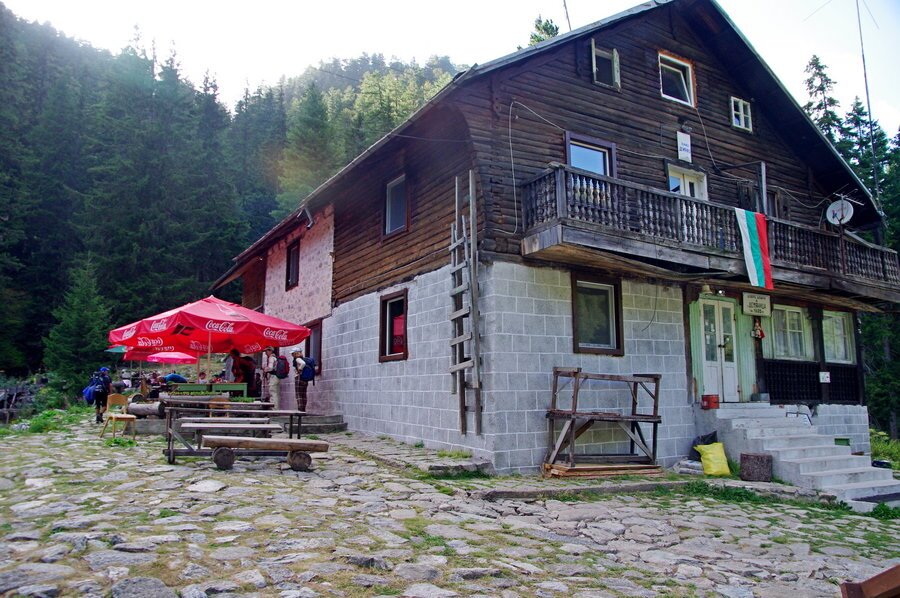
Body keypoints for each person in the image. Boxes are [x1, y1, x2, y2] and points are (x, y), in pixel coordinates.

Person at [291, 347, 309, 412]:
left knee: (299, 394)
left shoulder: (297, 359)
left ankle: (300, 409)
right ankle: (303, 409)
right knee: (304, 394)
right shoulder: (303, 358)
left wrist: (299, 370)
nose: (292, 355)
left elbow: (303, 363)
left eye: (292, 353)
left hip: (299, 378)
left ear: (296, 353)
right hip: (305, 378)